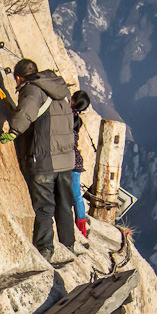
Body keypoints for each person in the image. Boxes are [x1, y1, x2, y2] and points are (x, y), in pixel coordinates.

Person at [5, 58, 77, 260]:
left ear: (19, 77)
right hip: (66, 160)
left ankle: (45, 249)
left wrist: (13, 131)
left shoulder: (32, 90)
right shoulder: (60, 90)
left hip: (45, 159)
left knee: (44, 206)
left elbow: (24, 115)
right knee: (64, 203)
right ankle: (68, 244)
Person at [70, 90, 91, 239]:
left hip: (70, 161)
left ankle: (81, 227)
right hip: (76, 161)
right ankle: (81, 225)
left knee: (76, 195)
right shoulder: (76, 118)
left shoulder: (67, 115)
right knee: (77, 196)